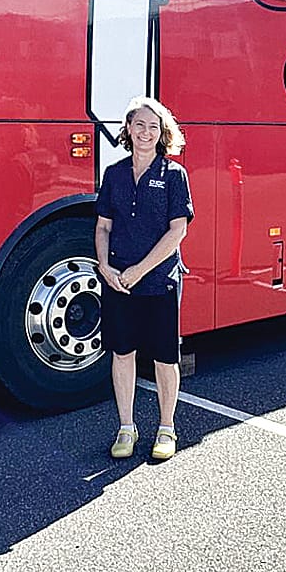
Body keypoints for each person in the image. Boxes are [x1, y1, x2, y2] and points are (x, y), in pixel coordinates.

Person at [95, 96, 193, 461]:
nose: (145, 132)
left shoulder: (173, 175)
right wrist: (105, 266)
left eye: (153, 127)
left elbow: (177, 232)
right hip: (117, 279)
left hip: (158, 281)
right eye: (139, 125)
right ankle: (126, 427)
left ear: (162, 133)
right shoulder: (115, 174)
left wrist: (140, 270)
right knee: (122, 353)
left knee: (165, 358)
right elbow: (103, 226)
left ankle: (166, 428)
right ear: (128, 129)